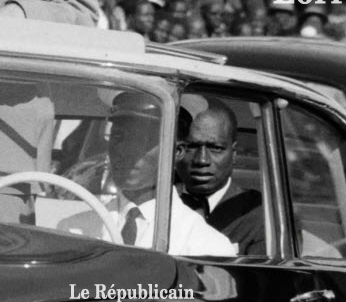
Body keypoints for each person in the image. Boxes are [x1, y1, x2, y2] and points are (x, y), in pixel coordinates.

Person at [62, 91, 237, 257]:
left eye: (143, 140)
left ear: (177, 151)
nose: (125, 150)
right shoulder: (72, 231)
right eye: (118, 137)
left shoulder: (205, 246)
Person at [174, 100, 264, 253]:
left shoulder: (261, 215)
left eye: (215, 148)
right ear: (177, 150)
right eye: (191, 147)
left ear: (234, 153)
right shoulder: (157, 203)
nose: (202, 160)